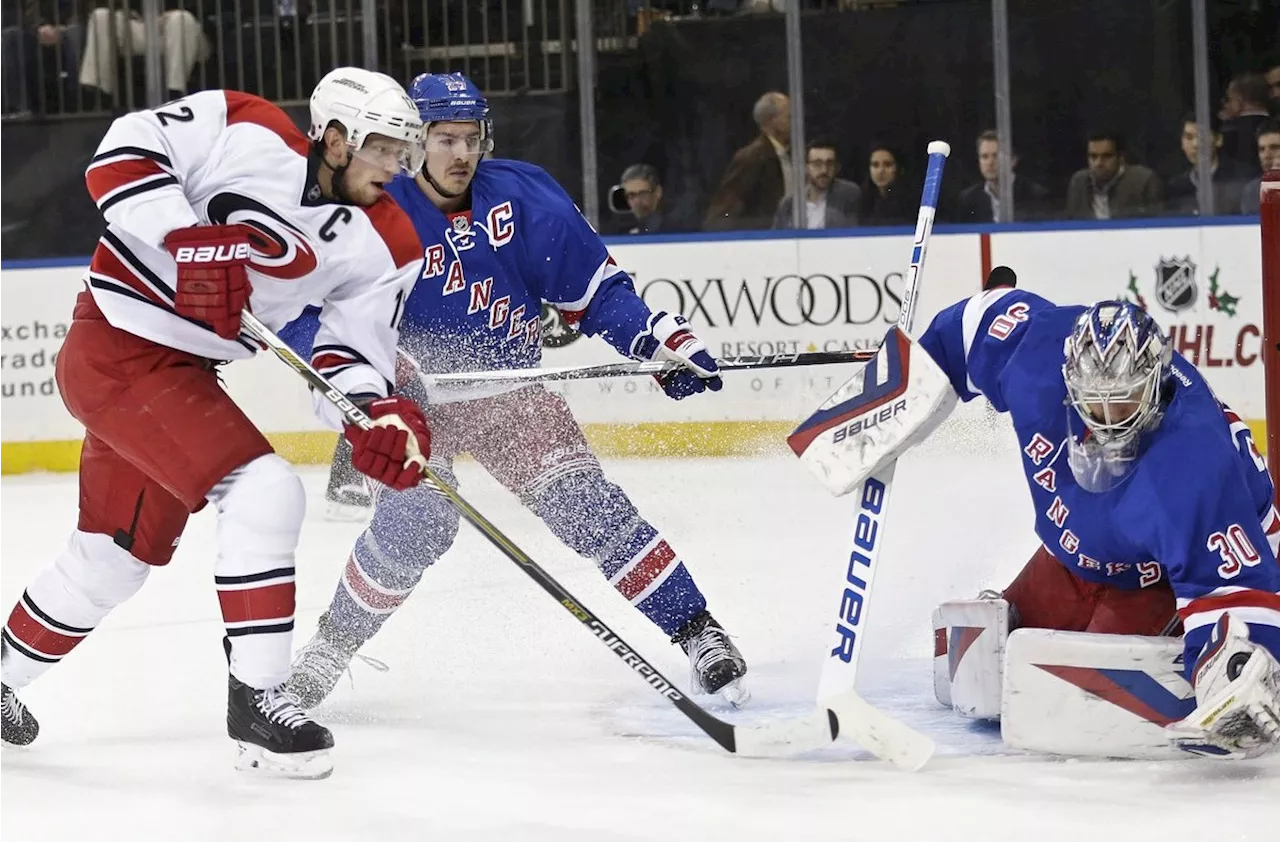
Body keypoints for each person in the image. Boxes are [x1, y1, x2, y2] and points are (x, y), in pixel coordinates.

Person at [0, 67, 433, 780]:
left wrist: (371, 412)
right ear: (332, 138)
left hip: (178, 378)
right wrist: (185, 237)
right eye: (383, 149)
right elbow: (120, 155)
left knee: (112, 559)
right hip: (114, 347)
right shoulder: (246, 124)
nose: (396, 168)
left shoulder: (386, 242)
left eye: (402, 152)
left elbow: (349, 354)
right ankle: (259, 700)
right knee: (266, 490)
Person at [280, 72, 751, 711]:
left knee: (586, 505)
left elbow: (598, 293)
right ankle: (329, 652)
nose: (461, 154)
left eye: (471, 138)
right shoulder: (367, 207)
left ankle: (699, 632)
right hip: (405, 406)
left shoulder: (524, 196)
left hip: (508, 393)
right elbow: (304, 312)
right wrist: (369, 380)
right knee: (418, 523)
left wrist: (656, 340)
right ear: (415, 143)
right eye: (444, 139)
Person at [916, 277, 1280, 758]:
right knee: (986, 651)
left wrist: (1236, 664)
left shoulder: (1194, 468)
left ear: (1156, 384)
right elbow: (971, 323)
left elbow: (1235, 589)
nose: (1107, 415)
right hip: (1082, 552)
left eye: (1124, 398)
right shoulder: (1036, 360)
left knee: (1067, 693)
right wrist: (906, 381)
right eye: (1094, 399)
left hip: (1164, 573)